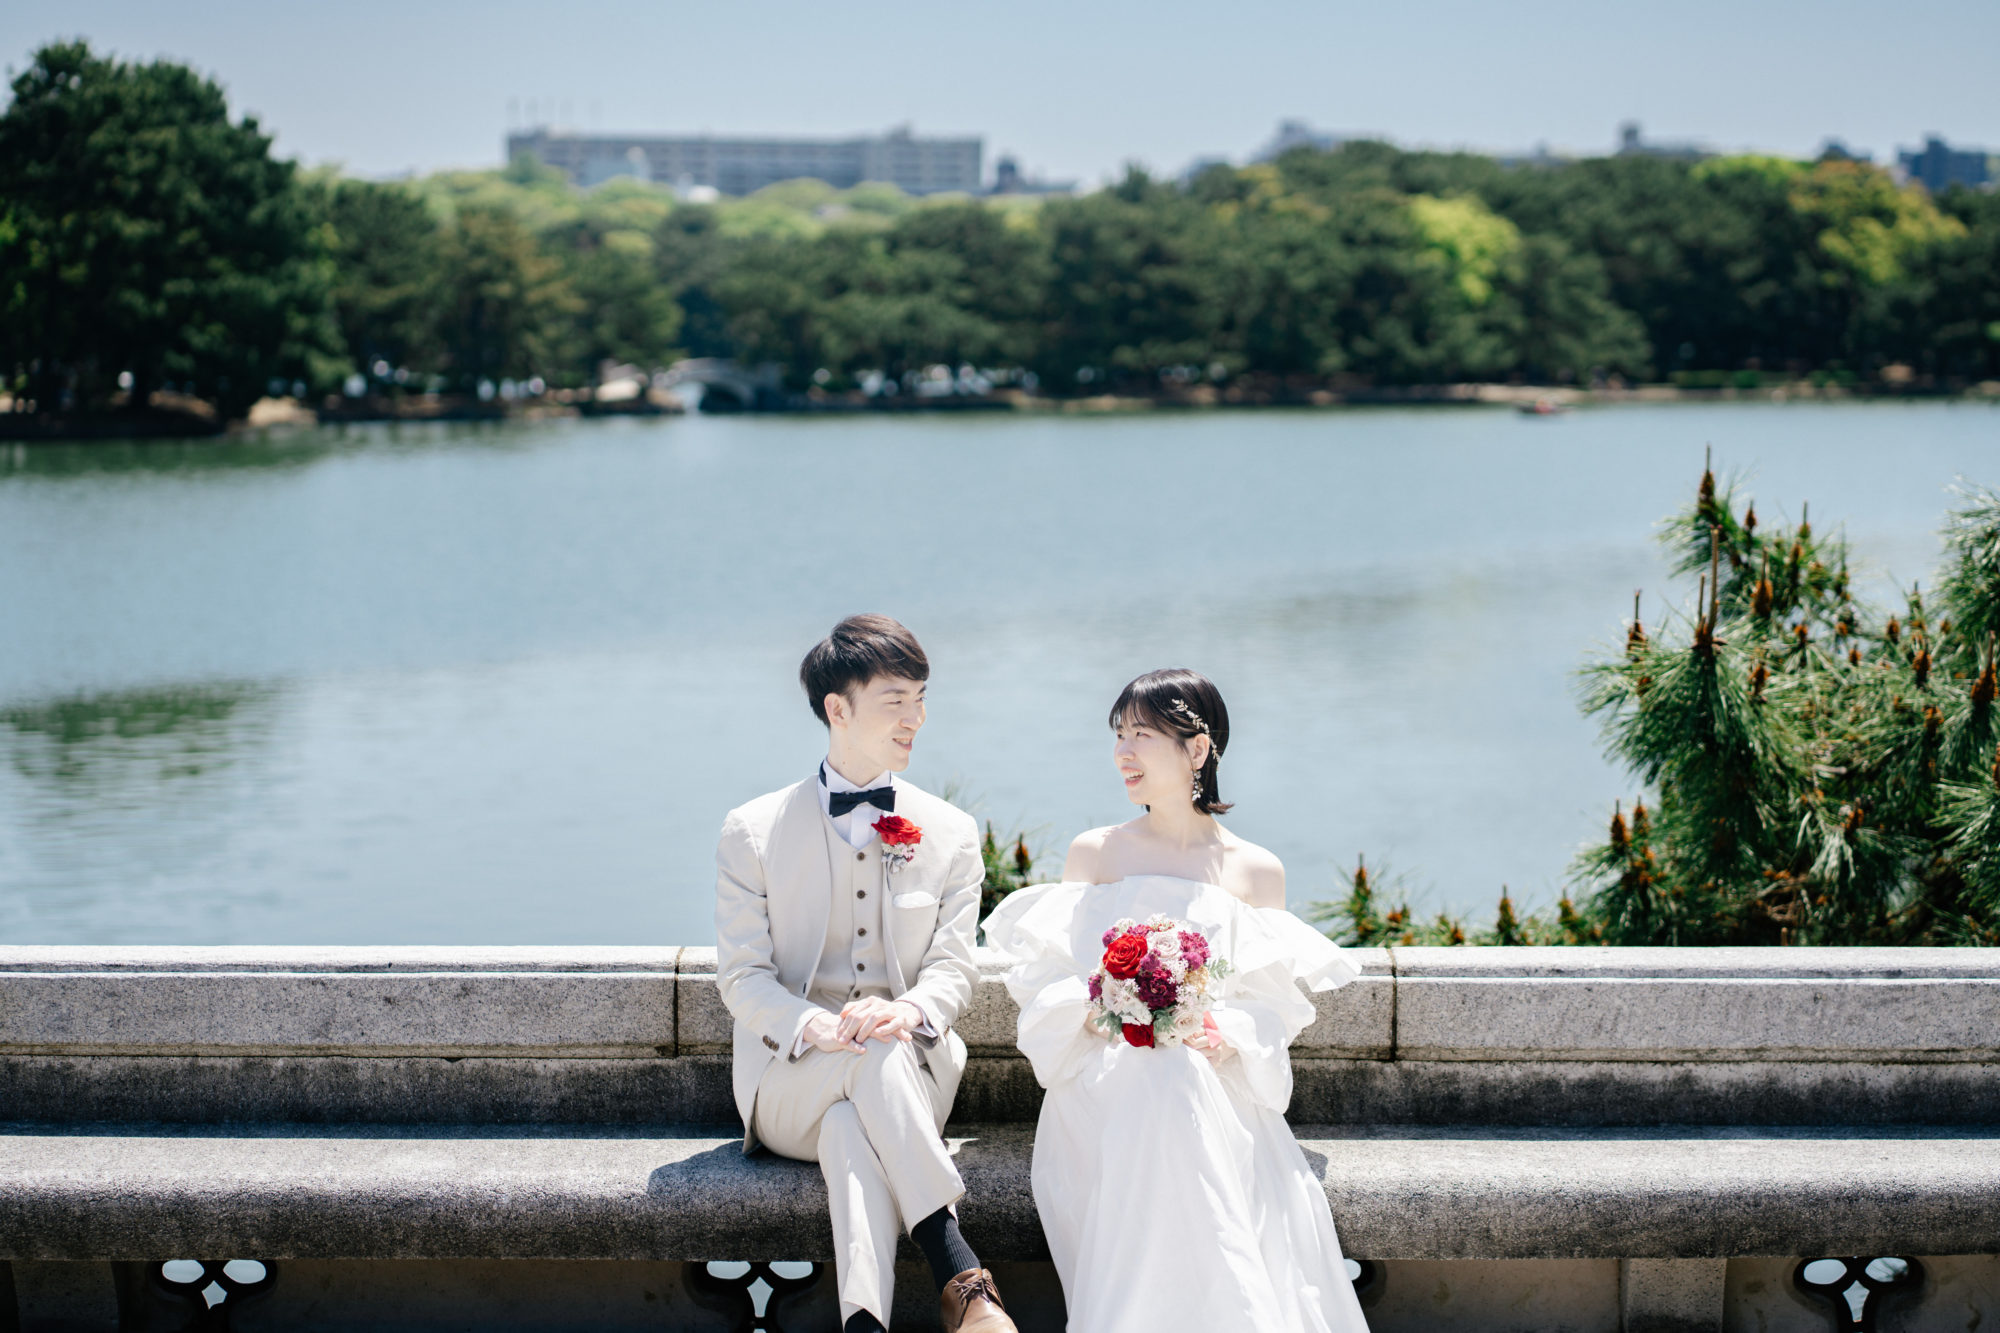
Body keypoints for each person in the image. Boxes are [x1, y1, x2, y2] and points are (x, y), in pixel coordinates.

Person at [981, 668, 1371, 1333]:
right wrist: (1106, 996)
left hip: (1212, 1078)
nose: (1122, 753)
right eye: (1118, 734)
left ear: (1197, 749)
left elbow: (1268, 1007)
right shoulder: (1098, 853)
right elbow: (1048, 993)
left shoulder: (1255, 869)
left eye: (1142, 735)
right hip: (1102, 1080)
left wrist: (1226, 1032)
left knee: (1179, 1070)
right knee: (1161, 1073)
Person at [714, 615, 1018, 1333]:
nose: (916, 718)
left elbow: (952, 967)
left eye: (921, 697)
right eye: (896, 700)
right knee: (857, 1071)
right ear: (837, 708)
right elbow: (743, 978)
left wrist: (907, 1012)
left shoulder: (948, 831)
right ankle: (961, 1276)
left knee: (855, 1122)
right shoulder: (751, 831)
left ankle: (864, 1324)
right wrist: (812, 1023)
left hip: (909, 1070)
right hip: (788, 1079)